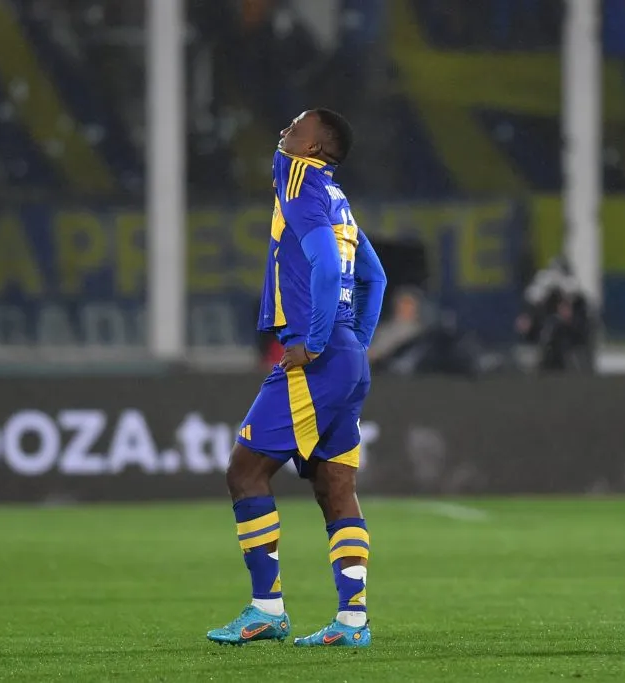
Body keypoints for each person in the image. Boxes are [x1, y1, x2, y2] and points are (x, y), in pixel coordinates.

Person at [206, 110, 387, 648]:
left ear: (316, 144)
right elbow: (372, 277)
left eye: (295, 125)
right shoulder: (337, 199)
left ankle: (267, 610)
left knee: (244, 471)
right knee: (336, 488)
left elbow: (329, 269)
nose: (283, 130)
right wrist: (355, 341)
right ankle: (352, 621)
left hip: (318, 356)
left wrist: (316, 338)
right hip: (348, 359)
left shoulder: (298, 177)